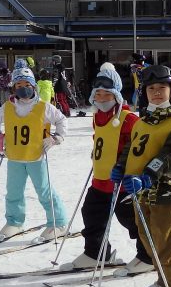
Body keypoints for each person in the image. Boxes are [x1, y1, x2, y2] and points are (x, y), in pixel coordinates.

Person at [111, 65, 171, 287]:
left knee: (167, 244)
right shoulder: (142, 122)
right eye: (151, 89)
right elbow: (132, 148)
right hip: (140, 192)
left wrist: (147, 175)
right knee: (149, 243)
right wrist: (120, 166)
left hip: (164, 191)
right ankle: (164, 282)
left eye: (162, 88)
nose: (156, 93)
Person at [64, 63, 152, 273]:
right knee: (92, 215)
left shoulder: (129, 119)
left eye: (107, 95)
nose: (102, 99)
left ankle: (147, 256)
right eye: (99, 95)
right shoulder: (97, 117)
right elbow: (100, 139)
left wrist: (131, 170)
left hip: (122, 183)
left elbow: (139, 147)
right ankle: (96, 253)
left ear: (116, 96)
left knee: (131, 221)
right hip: (100, 179)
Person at [0, 66, 68, 242]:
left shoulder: (43, 107)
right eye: (18, 85)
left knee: (44, 191)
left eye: (26, 84)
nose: (22, 88)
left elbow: (62, 120)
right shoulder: (7, 107)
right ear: (13, 88)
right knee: (13, 192)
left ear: (33, 86)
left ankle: (58, 222)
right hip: (14, 157)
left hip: (36, 156)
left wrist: (56, 138)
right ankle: (15, 222)